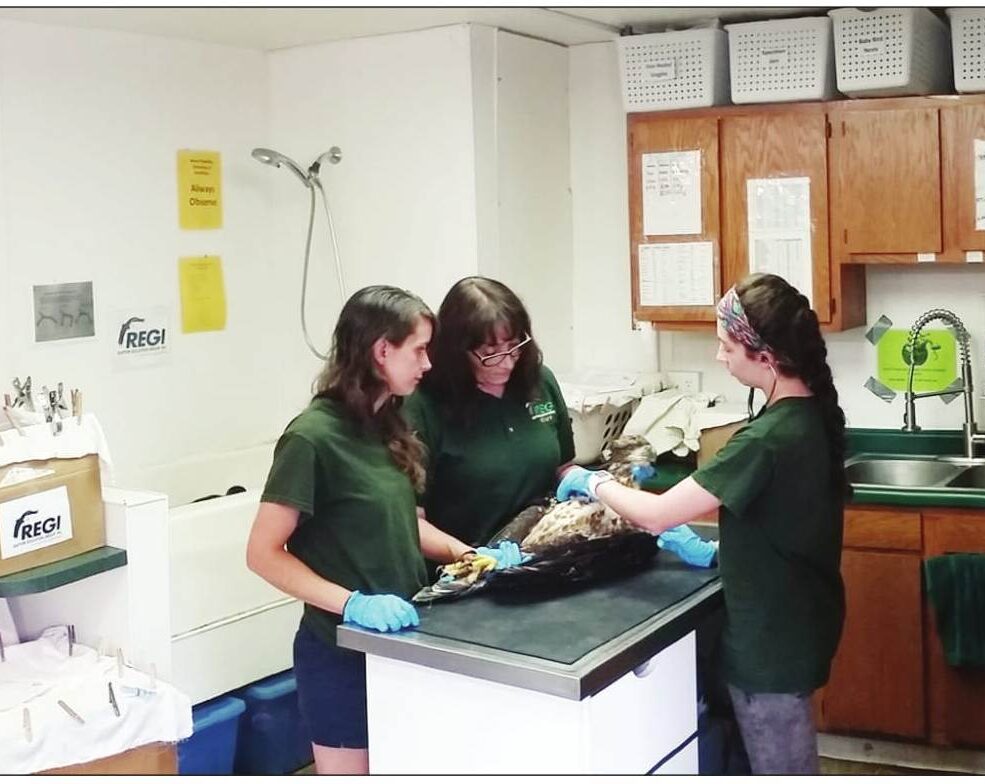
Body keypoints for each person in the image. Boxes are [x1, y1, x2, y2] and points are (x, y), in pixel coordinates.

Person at [557, 273, 849, 775]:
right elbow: (786, 522)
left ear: (765, 354)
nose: (720, 357)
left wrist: (589, 480)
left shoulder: (766, 440)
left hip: (769, 648)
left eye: (726, 346)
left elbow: (655, 515)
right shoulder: (811, 415)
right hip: (801, 626)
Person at [246, 285, 483, 775]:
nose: (427, 364)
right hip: (340, 653)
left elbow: (399, 525)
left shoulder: (387, 424)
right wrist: (353, 604)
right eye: (418, 349)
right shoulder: (312, 438)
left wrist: (466, 553)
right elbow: (263, 553)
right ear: (381, 351)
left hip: (404, 642)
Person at [403, 276, 576, 557]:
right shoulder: (422, 404)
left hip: (544, 552)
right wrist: (472, 559)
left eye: (514, 345)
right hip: (464, 565)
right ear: (457, 352)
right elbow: (411, 521)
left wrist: (600, 487)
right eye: (490, 353)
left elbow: (562, 467)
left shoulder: (538, 381)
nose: (507, 361)